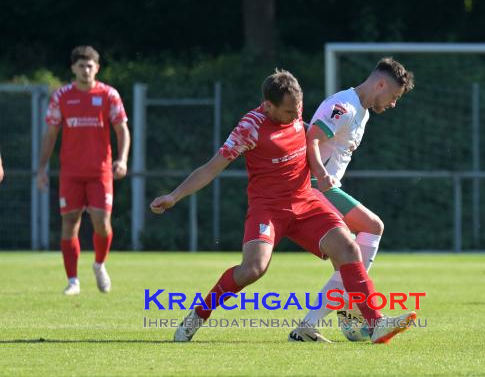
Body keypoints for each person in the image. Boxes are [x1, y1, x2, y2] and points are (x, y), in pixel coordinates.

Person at [150, 69, 416, 344]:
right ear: (268, 106)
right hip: (268, 208)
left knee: (348, 249)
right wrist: (174, 196)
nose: (295, 117)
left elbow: (309, 137)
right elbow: (210, 168)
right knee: (253, 269)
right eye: (289, 112)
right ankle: (198, 315)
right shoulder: (249, 128)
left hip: (305, 200)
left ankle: (375, 324)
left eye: (298, 109)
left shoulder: (295, 110)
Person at [289, 58, 415, 342]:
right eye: (394, 96)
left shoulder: (363, 111)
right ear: (380, 83)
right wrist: (321, 175)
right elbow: (312, 140)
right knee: (373, 227)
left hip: (323, 188)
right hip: (315, 189)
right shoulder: (343, 106)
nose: (394, 104)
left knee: (347, 264)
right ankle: (346, 319)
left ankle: (342, 322)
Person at [36, 45, 130, 296]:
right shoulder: (62, 96)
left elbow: (122, 130)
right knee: (70, 223)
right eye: (81, 65)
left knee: (102, 222)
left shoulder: (109, 95)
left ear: (97, 68)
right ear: (73, 68)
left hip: (100, 172)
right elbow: (51, 133)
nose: (86, 70)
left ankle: (99, 264)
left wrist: (122, 159)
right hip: (71, 173)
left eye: (90, 66)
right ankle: (73, 281)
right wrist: (42, 168)